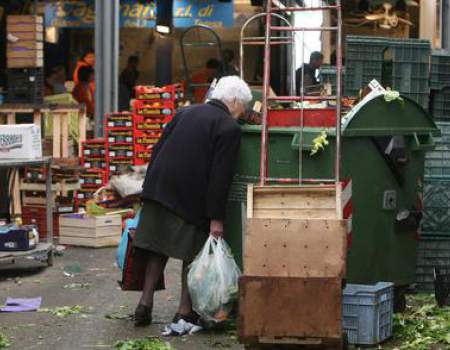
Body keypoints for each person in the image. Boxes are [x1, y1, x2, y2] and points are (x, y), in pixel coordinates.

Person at [132, 76, 252, 335]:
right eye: (243, 107)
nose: (242, 114)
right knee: (192, 254)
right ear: (233, 101)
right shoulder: (228, 129)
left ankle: (145, 302)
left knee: (157, 248)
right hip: (189, 196)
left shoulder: (185, 112)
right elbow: (221, 177)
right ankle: (183, 311)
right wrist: (216, 219)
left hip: (159, 186)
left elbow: (158, 149)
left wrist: (148, 190)